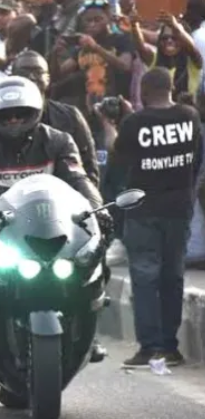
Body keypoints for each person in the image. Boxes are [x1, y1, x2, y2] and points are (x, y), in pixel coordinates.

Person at [0, 76, 112, 363]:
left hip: (54, 221)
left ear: (35, 112)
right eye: (5, 115)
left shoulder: (60, 141)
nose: (13, 121)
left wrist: (100, 209)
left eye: (21, 114)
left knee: (93, 245)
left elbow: (80, 179)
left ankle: (88, 325)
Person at [114, 68, 203, 367]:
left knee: (144, 278)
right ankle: (170, 347)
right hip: (179, 209)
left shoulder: (135, 122)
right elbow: (196, 159)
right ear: (170, 89)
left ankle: (150, 347)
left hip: (143, 210)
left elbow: (119, 160)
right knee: (172, 276)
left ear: (144, 90)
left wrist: (115, 122)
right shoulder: (190, 117)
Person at [0, 50, 100, 185]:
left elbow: (89, 171)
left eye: (37, 71)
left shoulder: (70, 117)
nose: (31, 76)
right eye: (23, 71)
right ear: (12, 77)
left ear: (48, 78)